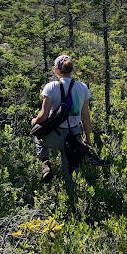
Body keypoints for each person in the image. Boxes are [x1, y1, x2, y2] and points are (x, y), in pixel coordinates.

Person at [31, 54, 91, 190]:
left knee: (38, 135)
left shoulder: (51, 87)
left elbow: (43, 116)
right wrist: (87, 138)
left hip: (54, 136)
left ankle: (45, 163)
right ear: (71, 69)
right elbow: (85, 117)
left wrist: (33, 121)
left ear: (56, 70)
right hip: (74, 137)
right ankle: (73, 204)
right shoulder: (82, 88)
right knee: (70, 174)